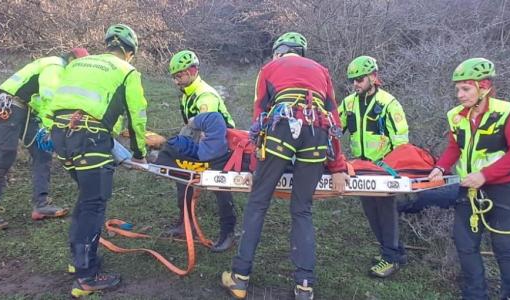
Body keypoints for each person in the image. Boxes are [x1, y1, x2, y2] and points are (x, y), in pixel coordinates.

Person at [220, 32, 348, 300]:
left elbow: (259, 119)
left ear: (279, 52)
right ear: (300, 52)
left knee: (258, 203)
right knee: (302, 209)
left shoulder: (269, 68)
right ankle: (304, 285)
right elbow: (333, 120)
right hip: (317, 134)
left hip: (281, 130)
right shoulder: (321, 70)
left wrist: (255, 169)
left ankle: (240, 278)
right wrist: (338, 167)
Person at [46, 24, 148, 297]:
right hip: (90, 138)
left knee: (85, 200)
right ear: (129, 52)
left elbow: (54, 99)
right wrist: (139, 152)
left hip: (61, 136)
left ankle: (78, 261)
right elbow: (136, 114)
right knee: (94, 204)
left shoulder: (80, 63)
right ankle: (87, 277)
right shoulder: (127, 71)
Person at [427, 58, 510, 299]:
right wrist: (441, 167)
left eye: (466, 89)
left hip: (504, 191)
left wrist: (485, 175)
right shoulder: (456, 115)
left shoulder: (507, 112)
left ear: (483, 86)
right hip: (469, 191)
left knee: (506, 249)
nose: (460, 95)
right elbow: (455, 147)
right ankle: (475, 294)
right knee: (465, 245)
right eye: (458, 89)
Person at [0, 47, 88, 229]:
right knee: (5, 154)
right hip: (10, 106)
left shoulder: (60, 69)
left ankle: (41, 205)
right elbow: (49, 97)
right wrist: (51, 126)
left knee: (43, 152)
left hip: (27, 110)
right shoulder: (55, 66)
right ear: (71, 60)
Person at [339, 55, 411, 278]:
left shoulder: (389, 103)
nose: (355, 84)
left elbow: (401, 140)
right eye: (353, 80)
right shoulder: (349, 103)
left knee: (386, 211)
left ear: (372, 77)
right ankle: (392, 252)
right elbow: (335, 129)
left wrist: (393, 168)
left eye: (359, 79)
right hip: (360, 167)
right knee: (371, 212)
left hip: (384, 167)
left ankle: (390, 258)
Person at [157, 111, 237, 251]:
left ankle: (227, 234)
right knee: (182, 179)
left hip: (219, 151)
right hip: (204, 145)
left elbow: (213, 122)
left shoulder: (205, 99)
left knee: (221, 191)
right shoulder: (188, 96)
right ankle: (185, 224)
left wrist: (197, 127)